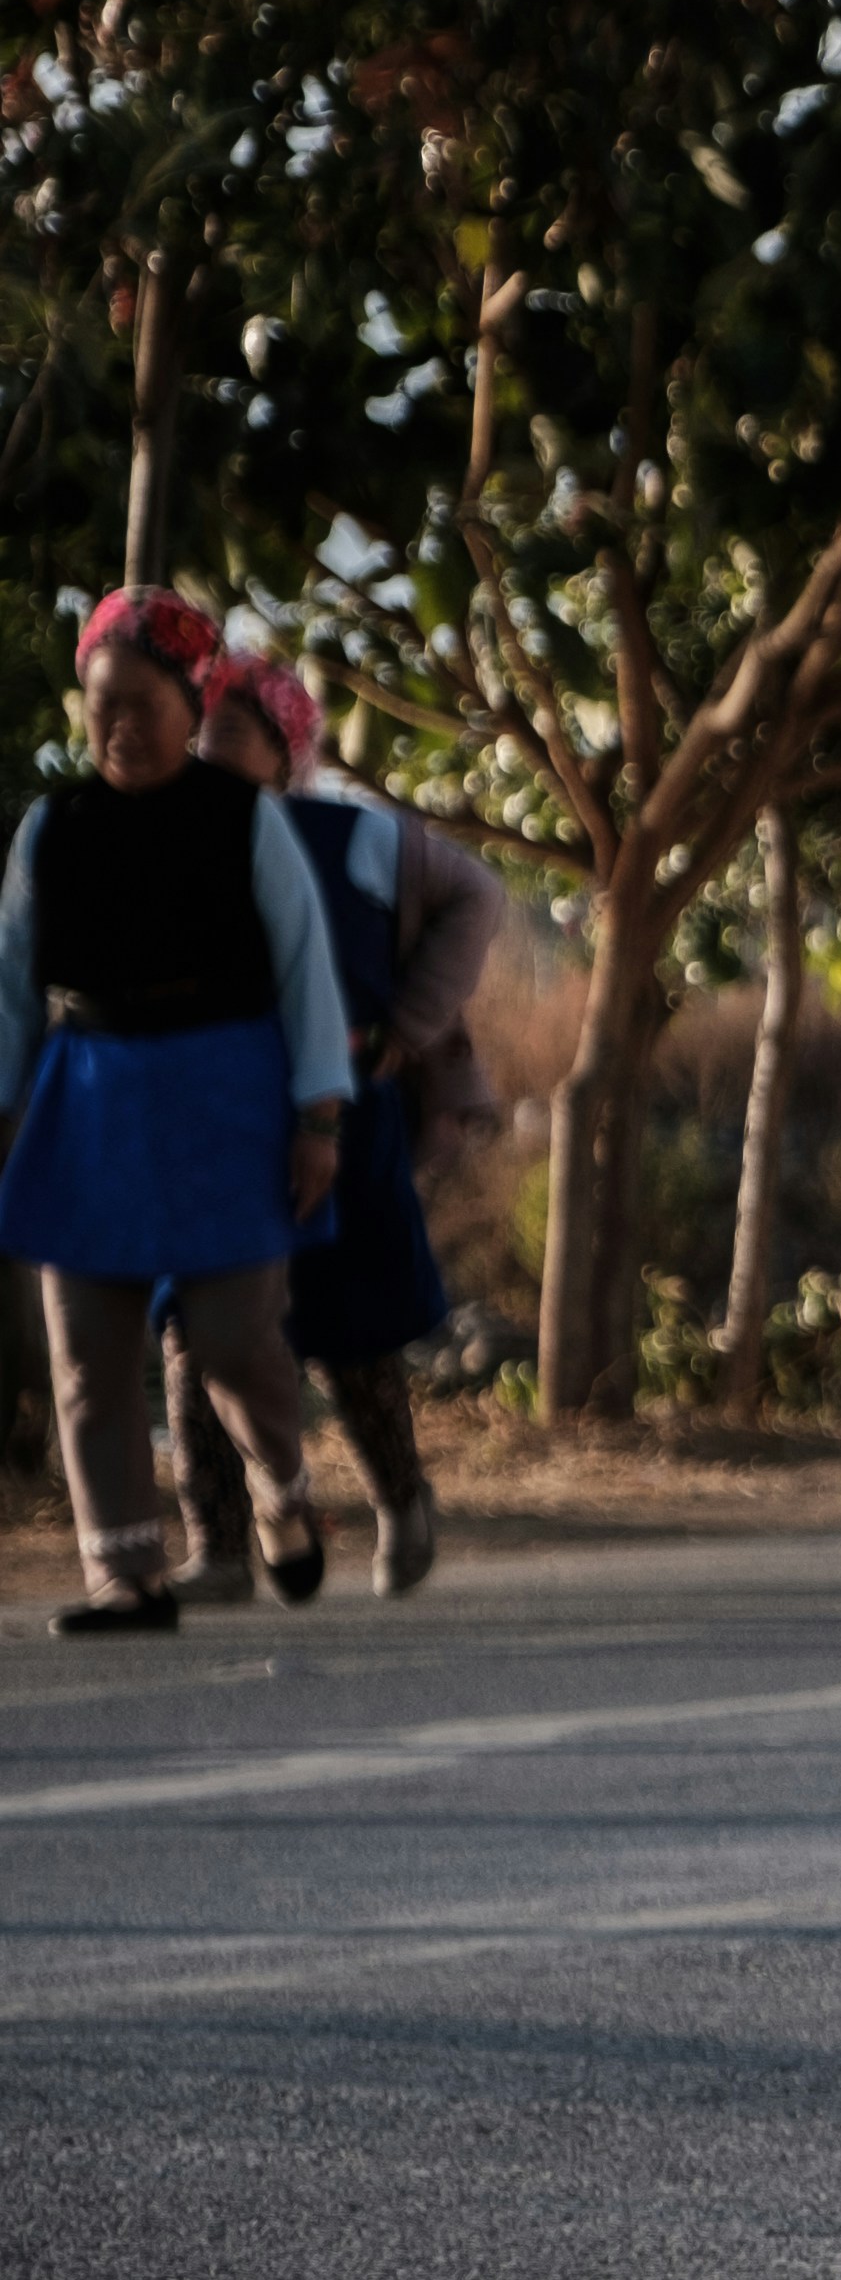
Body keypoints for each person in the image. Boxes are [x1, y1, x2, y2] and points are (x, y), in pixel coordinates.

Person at [0, 588, 353, 1633]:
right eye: (101, 701)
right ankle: (127, 1572)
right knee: (89, 1357)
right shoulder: (51, 829)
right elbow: (12, 982)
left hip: (225, 1097)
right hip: (92, 1097)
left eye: (142, 701)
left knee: (235, 1340)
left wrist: (318, 1119)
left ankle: (283, 1493)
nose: (119, 724)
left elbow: (306, 973)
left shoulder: (243, 819)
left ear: (190, 701)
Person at [162, 645, 505, 1595]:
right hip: (215, 1119)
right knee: (197, 1335)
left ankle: (400, 1498)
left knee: (351, 1330)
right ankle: (221, 1549)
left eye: (238, 731)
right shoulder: (169, 838)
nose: (213, 746)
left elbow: (478, 895)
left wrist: (412, 1024)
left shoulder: (356, 839)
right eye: (204, 730)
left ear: (288, 749)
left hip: (341, 1116)